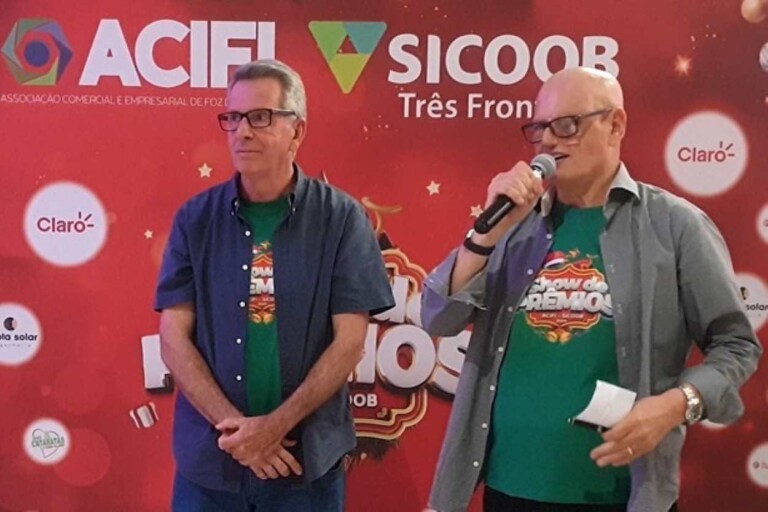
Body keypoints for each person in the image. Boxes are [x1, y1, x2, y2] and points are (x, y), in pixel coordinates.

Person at [421, 67, 761, 512]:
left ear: (615, 124)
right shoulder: (514, 224)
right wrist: (484, 236)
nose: (548, 141)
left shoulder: (675, 225)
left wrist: (676, 405)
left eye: (567, 125)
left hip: (621, 494)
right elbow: (438, 318)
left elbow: (736, 345)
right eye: (540, 128)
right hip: (509, 488)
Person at [154, 59, 394, 512]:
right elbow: (172, 338)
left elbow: (349, 342)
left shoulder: (341, 219)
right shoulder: (194, 220)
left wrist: (274, 428)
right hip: (212, 462)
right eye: (233, 117)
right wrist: (241, 434)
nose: (242, 132)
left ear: (297, 131)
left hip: (305, 465)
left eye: (260, 117)